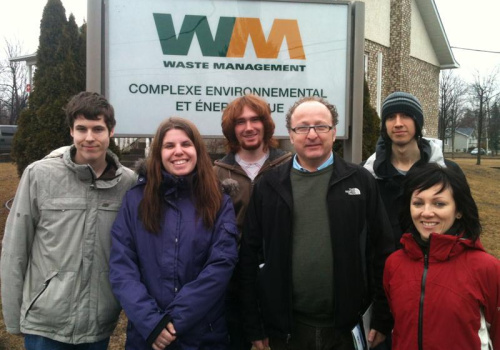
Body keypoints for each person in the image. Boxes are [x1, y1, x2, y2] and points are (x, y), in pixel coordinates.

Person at [239, 96, 394, 350]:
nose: (312, 134)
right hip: (286, 333)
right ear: (291, 134)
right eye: (302, 127)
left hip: (347, 331)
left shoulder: (361, 182)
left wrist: (382, 317)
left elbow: (382, 253)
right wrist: (254, 325)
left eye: (321, 126)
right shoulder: (269, 186)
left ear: (334, 133)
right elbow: (248, 257)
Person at [0, 91, 137, 349]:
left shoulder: (128, 184)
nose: (89, 137)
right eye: (81, 128)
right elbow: (15, 250)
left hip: (98, 324)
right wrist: (13, 317)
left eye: (97, 129)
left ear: (111, 131)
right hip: (45, 323)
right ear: (71, 132)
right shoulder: (39, 175)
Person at [109, 117, 239, 349]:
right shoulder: (135, 200)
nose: (178, 151)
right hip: (147, 337)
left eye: (186, 144)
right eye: (169, 146)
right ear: (158, 153)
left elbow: (221, 264)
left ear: (197, 149)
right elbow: (122, 266)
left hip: (203, 336)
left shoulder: (219, 202)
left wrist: (176, 320)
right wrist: (152, 323)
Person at [383, 163, 500, 349]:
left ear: (459, 210)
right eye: (418, 203)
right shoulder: (394, 264)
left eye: (439, 203)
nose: (427, 212)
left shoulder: (487, 268)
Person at [214, 94, 291, 350]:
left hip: (279, 277)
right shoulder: (216, 172)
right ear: (231, 129)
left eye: (255, 119)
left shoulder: (289, 165)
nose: (248, 127)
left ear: (266, 123)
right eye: (240, 122)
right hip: (232, 280)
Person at [363, 91, 463, 249]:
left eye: (405, 116)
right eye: (390, 117)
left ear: (418, 122)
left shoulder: (449, 172)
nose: (398, 123)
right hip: (384, 269)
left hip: (435, 266)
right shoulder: (367, 174)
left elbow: (464, 225)